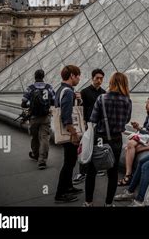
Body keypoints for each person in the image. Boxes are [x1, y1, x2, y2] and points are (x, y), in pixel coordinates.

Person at [83, 72, 132, 207]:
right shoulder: (127, 100)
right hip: (116, 139)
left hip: (100, 139)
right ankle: (108, 204)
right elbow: (126, 119)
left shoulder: (101, 98)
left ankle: (88, 202)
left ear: (111, 83)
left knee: (92, 171)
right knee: (113, 172)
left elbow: (92, 119)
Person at [54, 65, 83, 203]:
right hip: (69, 133)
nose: (79, 78)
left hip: (65, 132)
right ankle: (60, 193)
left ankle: (68, 186)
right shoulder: (68, 92)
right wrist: (74, 133)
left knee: (70, 162)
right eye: (78, 75)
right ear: (72, 75)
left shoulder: (60, 89)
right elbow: (66, 116)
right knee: (69, 162)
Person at [72, 69, 106, 185]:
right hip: (87, 125)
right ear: (92, 78)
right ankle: (82, 172)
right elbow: (80, 109)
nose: (99, 80)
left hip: (99, 125)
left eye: (101, 78)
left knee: (97, 147)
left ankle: (97, 168)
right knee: (84, 147)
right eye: (97, 78)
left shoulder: (104, 93)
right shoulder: (85, 92)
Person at [117, 96, 149, 187]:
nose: (146, 105)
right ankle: (128, 174)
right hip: (148, 138)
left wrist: (139, 129)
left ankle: (128, 175)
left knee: (129, 146)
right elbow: (146, 130)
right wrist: (138, 128)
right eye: (146, 102)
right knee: (130, 146)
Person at [21, 69, 55, 170]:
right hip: (45, 117)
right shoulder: (49, 87)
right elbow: (54, 102)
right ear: (43, 76)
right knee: (44, 138)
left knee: (34, 137)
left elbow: (23, 103)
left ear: (35, 76)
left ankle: (35, 154)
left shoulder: (30, 88)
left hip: (33, 117)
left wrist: (30, 105)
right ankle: (42, 161)